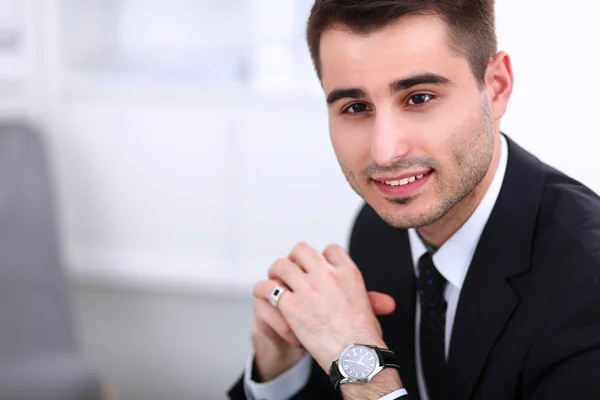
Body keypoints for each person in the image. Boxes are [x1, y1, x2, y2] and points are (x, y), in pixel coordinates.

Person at [227, 0, 600, 399]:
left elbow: (359, 377)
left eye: (419, 98)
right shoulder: (378, 226)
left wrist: (360, 364)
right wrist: (281, 369)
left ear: (496, 87)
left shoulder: (587, 284)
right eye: (355, 107)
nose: (384, 153)